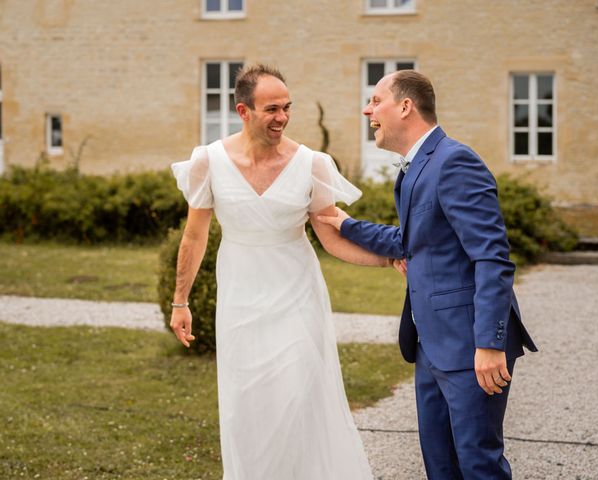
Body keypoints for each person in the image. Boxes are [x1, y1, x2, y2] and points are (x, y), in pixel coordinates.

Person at [168, 64, 387, 480]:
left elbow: (331, 236)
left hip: (297, 294)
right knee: (247, 408)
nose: (282, 118)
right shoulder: (208, 162)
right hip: (240, 297)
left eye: (287, 108)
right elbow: (194, 237)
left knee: (298, 398)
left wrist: (385, 258)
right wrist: (180, 301)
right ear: (243, 111)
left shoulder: (313, 164)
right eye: (272, 109)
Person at [317, 69, 538, 479]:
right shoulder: (413, 168)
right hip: (430, 346)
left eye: (376, 101)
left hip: (470, 347)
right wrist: (344, 224)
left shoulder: (455, 161)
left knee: (478, 465)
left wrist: (488, 344)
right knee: (441, 467)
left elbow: (492, 257)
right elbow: (413, 239)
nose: (368, 110)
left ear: (405, 106)